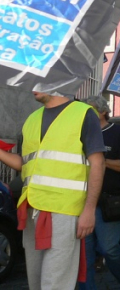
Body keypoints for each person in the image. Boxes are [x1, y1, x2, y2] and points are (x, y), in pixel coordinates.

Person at [0, 91, 105, 289]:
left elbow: (98, 164)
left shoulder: (84, 113)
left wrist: (89, 210)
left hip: (65, 211)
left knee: (54, 284)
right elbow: (24, 163)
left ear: (58, 81)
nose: (33, 87)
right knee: (37, 283)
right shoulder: (31, 119)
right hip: (32, 209)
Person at [80, 96, 120, 290]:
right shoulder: (80, 133)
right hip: (82, 200)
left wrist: (101, 162)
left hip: (109, 202)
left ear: (103, 111)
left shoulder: (118, 133)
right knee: (84, 255)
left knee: (109, 248)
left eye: (90, 110)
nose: (85, 114)